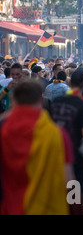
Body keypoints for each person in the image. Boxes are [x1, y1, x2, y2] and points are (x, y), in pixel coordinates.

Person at [0, 79, 71, 215]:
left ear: (14, 99)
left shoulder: (3, 130)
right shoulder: (56, 133)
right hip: (48, 209)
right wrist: (77, 205)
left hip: (10, 208)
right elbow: (69, 179)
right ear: (42, 100)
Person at [50, 70, 83, 213]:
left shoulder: (56, 102)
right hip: (76, 163)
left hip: (56, 158)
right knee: (75, 203)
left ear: (69, 83)